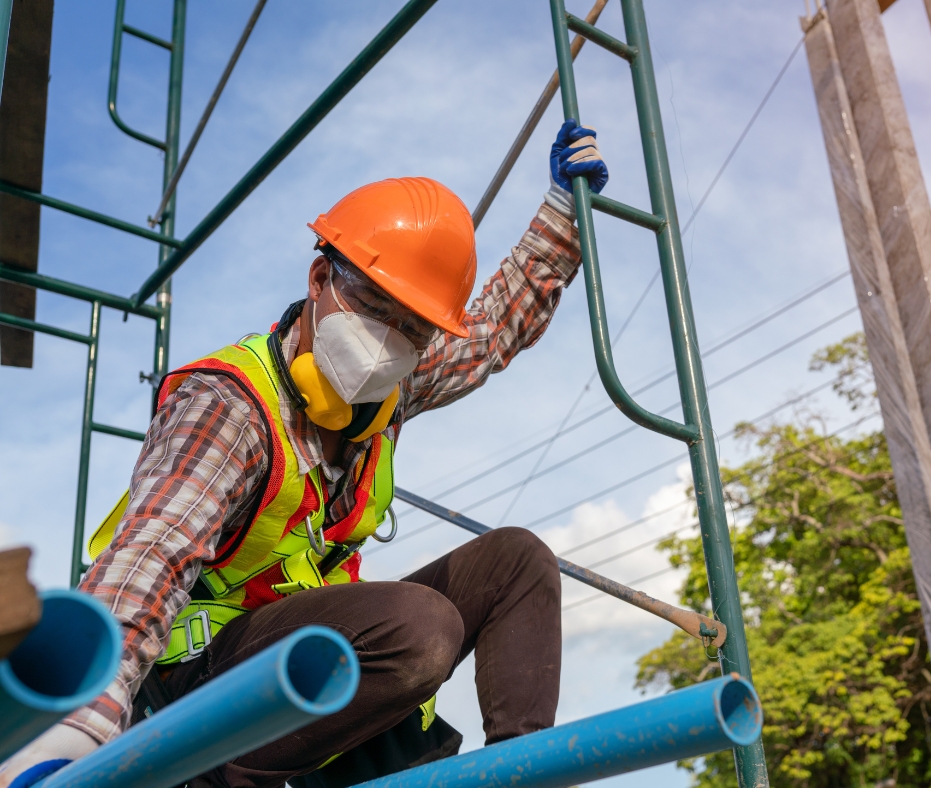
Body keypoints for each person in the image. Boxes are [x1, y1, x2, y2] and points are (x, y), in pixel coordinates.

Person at [0, 119, 609, 788]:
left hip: (319, 662)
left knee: (515, 560)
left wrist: (562, 214)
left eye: (413, 328)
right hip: (195, 690)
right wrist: (82, 729)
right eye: (373, 305)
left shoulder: (392, 387)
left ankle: (521, 776)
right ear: (321, 277)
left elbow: (491, 332)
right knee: (421, 627)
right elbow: (151, 558)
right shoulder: (231, 407)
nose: (386, 341)